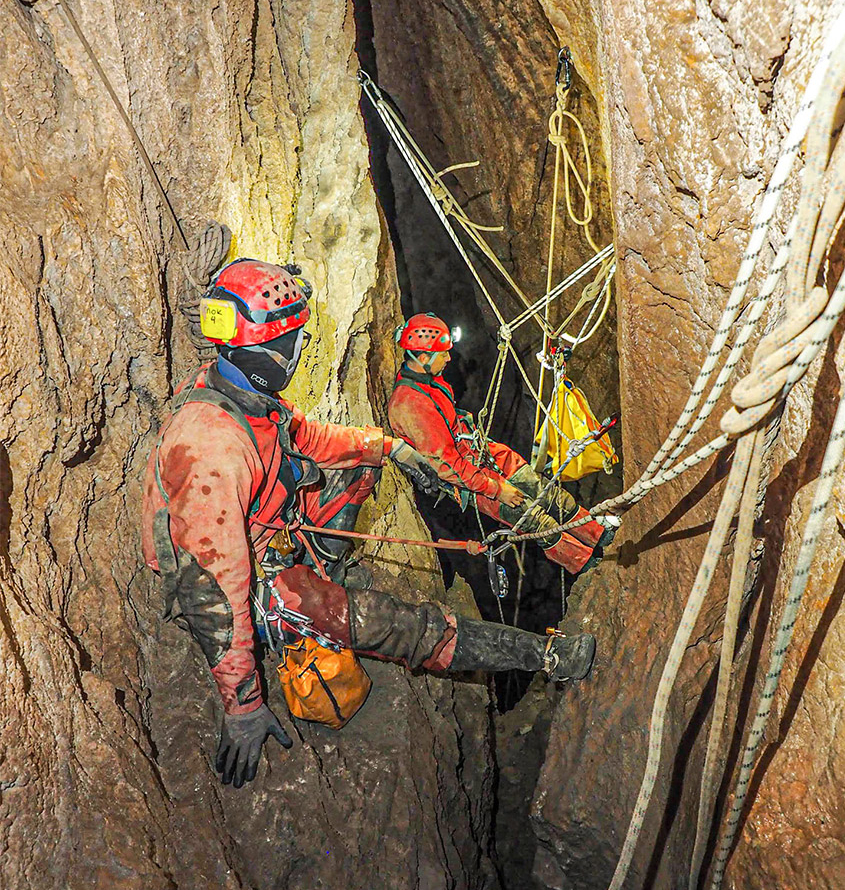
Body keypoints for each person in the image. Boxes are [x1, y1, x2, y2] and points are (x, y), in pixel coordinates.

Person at [142, 259, 597, 789]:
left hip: (265, 528)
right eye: (293, 340)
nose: (299, 349)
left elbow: (312, 440)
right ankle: (545, 655)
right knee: (394, 623)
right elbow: (214, 593)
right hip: (242, 573)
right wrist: (242, 704)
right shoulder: (213, 448)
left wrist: (390, 447)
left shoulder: (244, 397)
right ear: (267, 348)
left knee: (355, 462)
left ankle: (324, 568)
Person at [387, 313, 619, 574]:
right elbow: (446, 466)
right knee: (533, 519)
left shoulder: (431, 382)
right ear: (422, 357)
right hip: (471, 481)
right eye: (443, 354)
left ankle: (598, 533)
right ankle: (586, 564)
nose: (449, 358)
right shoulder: (410, 405)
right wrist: (497, 490)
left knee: (547, 493)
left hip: (485, 455)